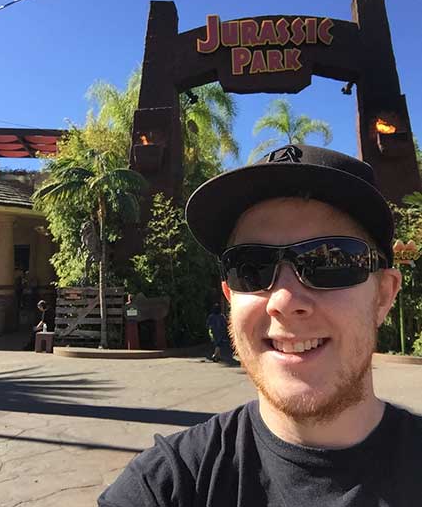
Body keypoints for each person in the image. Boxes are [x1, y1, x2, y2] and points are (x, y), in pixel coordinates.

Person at [98, 144, 422, 506]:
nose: (284, 301)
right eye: (250, 267)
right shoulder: (169, 484)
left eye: (329, 262)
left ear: (383, 295)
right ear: (229, 295)